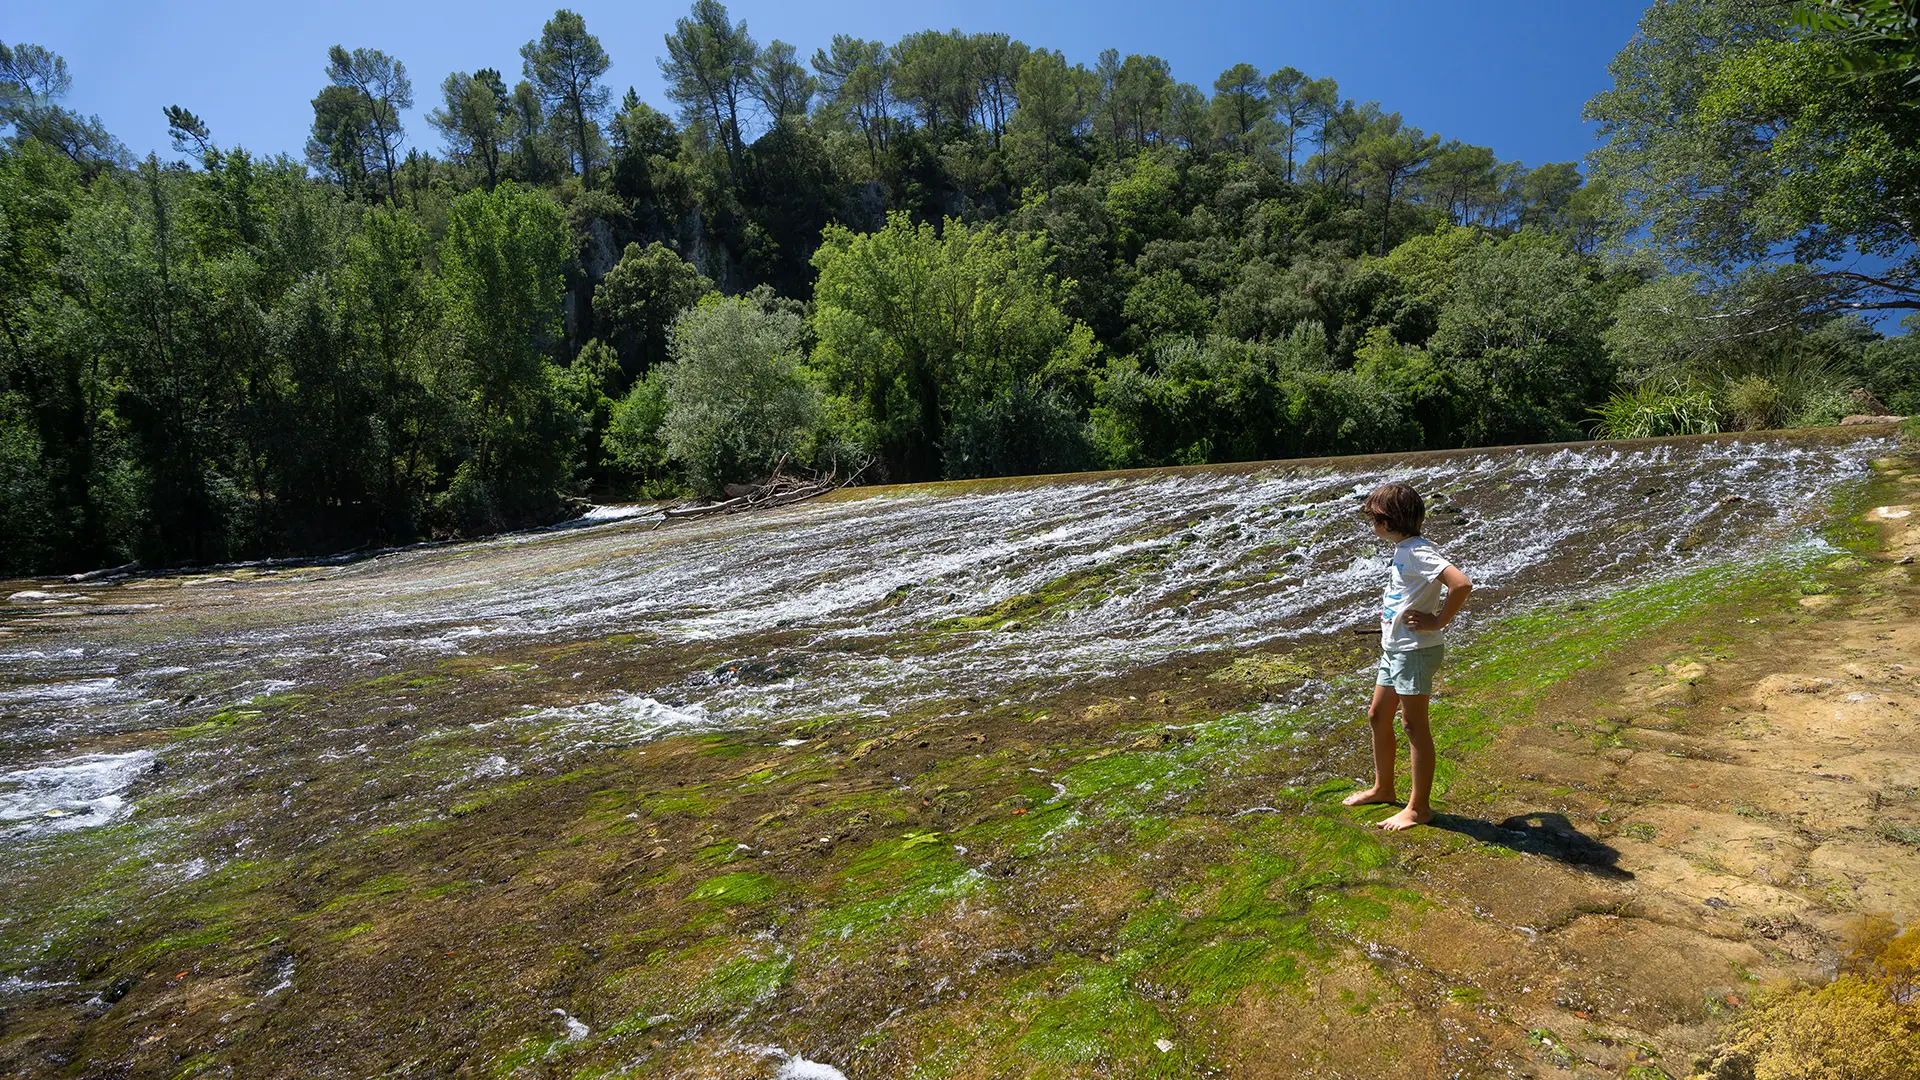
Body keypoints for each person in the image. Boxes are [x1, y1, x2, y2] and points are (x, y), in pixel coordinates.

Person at [1342, 481, 1472, 831]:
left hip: (1414, 651)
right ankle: (1383, 788)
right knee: (1377, 715)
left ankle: (1418, 808)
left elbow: (1461, 583)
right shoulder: (1405, 548)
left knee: (1414, 726)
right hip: (1396, 649)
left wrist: (1439, 620)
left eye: (1373, 519)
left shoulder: (1417, 551)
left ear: (1387, 522)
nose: (1372, 525)